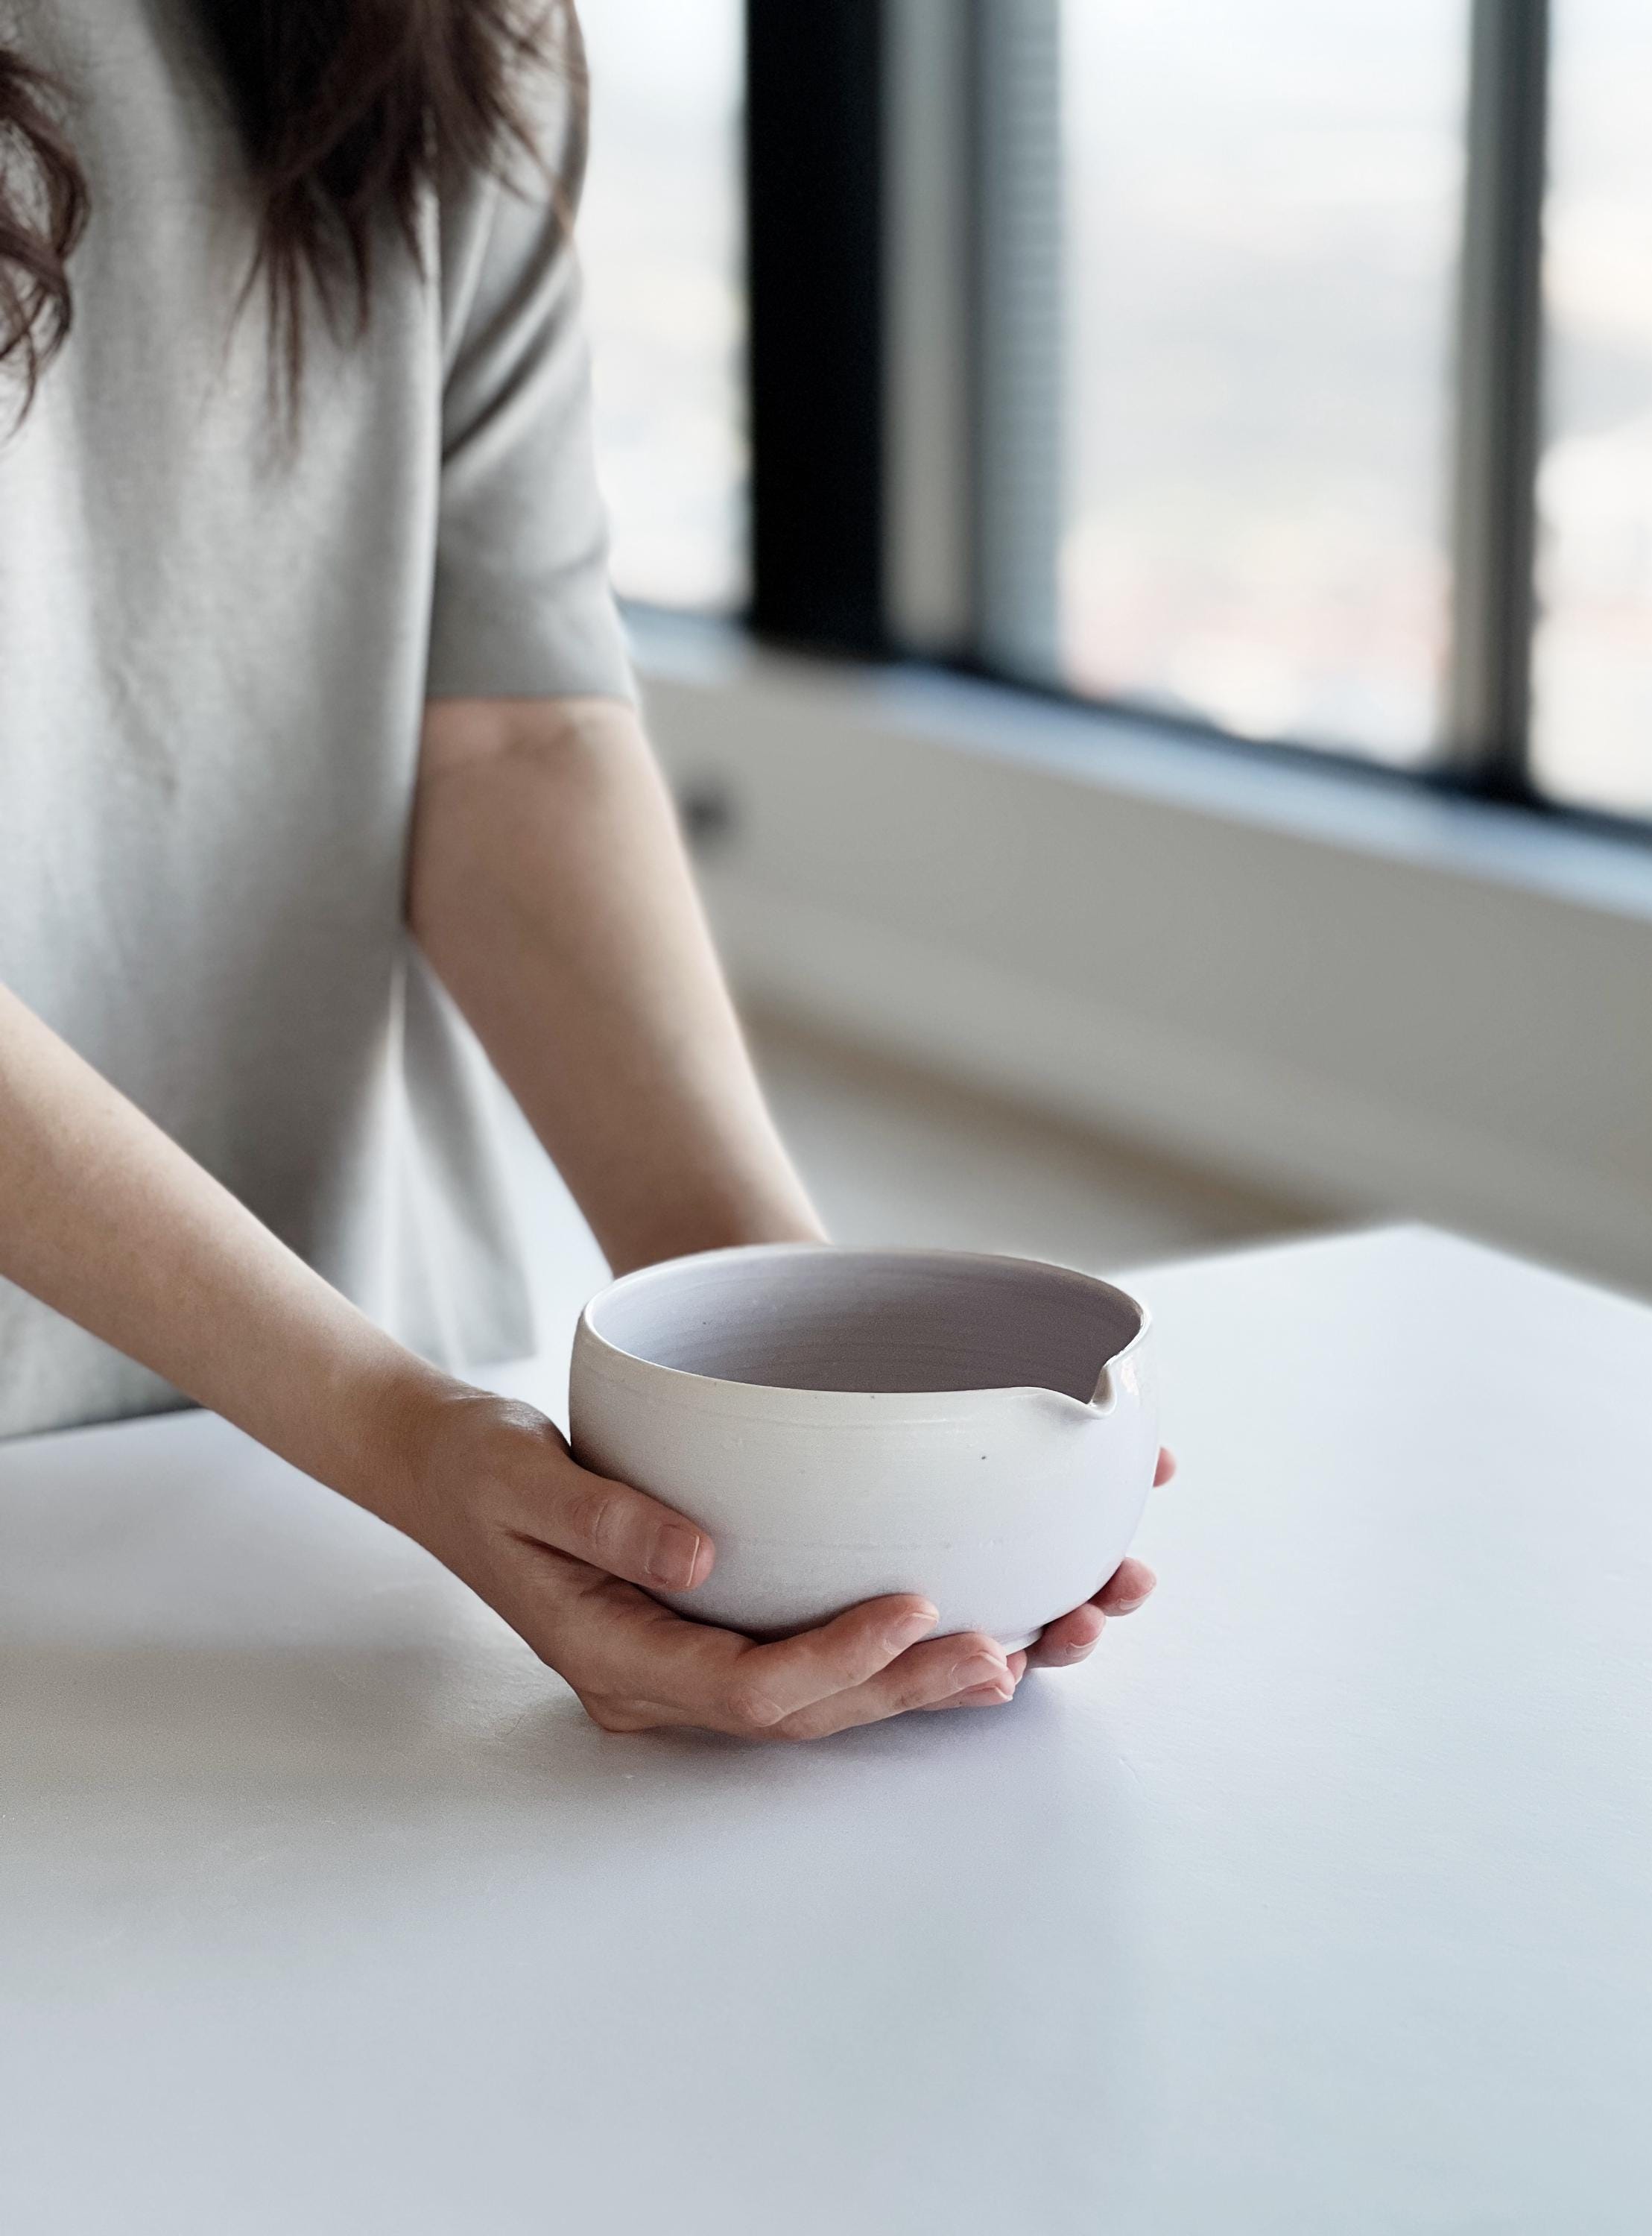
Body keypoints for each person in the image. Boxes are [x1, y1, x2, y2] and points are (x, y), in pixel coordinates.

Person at [0, 0, 1166, 1742]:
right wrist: (403, 1439)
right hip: (335, 1437)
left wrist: (795, 1381)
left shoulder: (459, 30)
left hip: (328, 1422)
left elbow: (508, 735)